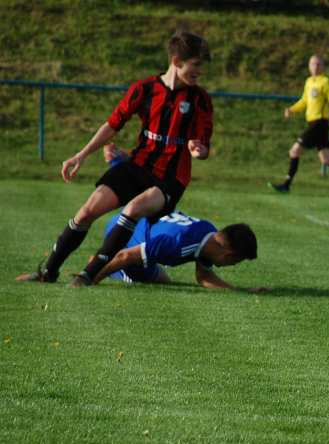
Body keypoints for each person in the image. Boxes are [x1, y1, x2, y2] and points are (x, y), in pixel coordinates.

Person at [16, 32, 213, 287]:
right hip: (138, 165)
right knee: (87, 212)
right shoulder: (144, 89)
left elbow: (204, 143)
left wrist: (199, 150)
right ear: (176, 61)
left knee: (133, 210)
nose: (200, 72)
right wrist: (81, 155)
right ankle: (48, 272)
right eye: (196, 65)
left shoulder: (200, 100)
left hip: (171, 178)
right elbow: (112, 125)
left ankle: (88, 275)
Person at [88, 211, 264, 292]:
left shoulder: (209, 236)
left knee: (163, 281)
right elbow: (124, 255)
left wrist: (241, 291)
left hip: (138, 226)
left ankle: (99, 264)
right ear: (228, 255)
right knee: (139, 277)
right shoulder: (178, 242)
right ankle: (96, 265)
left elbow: (204, 277)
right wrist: (90, 279)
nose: (231, 266)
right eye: (235, 262)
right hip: (124, 234)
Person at [269, 55, 329, 197]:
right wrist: (292, 109)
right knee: (326, 159)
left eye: (318, 64)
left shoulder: (326, 82)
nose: (315, 67)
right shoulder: (309, 82)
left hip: (319, 123)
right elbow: (304, 101)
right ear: (309, 66)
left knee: (294, 151)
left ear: (323, 67)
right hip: (313, 123)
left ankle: (286, 185)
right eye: (312, 64)